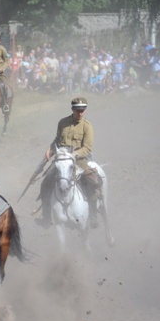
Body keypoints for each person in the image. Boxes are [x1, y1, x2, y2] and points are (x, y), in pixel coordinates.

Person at [37, 97, 101, 228]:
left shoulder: (87, 127)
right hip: (61, 160)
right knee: (45, 183)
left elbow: (87, 148)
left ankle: (93, 215)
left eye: (83, 110)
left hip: (79, 160)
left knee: (92, 181)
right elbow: (57, 140)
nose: (80, 113)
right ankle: (46, 217)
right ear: (72, 109)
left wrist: (73, 155)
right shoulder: (62, 123)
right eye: (78, 110)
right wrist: (50, 149)